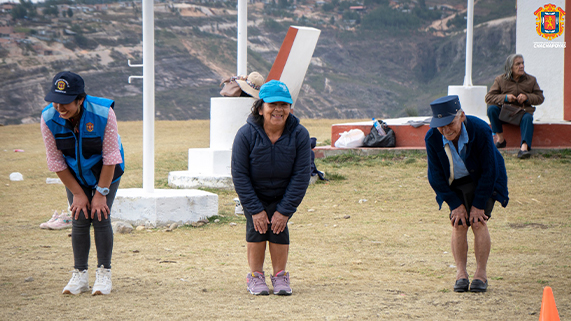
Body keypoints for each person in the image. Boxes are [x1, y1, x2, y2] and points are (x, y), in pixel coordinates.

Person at [40, 71, 125, 295]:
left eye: (66, 102)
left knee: (100, 215)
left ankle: (104, 274)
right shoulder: (48, 118)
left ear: (80, 99)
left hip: (106, 171)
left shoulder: (104, 113)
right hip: (74, 175)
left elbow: (111, 157)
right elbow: (56, 161)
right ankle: (79, 275)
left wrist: (100, 193)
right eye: (56, 101)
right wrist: (78, 194)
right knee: (79, 217)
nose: (60, 108)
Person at [231, 80, 311, 296]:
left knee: (278, 229)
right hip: (254, 193)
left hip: (284, 193)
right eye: (272, 104)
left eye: (284, 105)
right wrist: (255, 209)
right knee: (256, 228)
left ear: (290, 108)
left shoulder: (299, 134)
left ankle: (280, 276)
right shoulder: (245, 134)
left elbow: (301, 174)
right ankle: (255, 276)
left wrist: (284, 210)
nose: (278, 110)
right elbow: (239, 174)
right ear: (260, 108)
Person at [425, 95, 509, 293]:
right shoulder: (432, 138)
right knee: (459, 222)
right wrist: (455, 204)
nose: (446, 131)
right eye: (440, 126)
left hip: (484, 179)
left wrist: (479, 204)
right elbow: (435, 177)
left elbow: (490, 170)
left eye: (449, 124)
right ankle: (461, 274)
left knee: (478, 221)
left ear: (461, 116)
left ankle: (481, 275)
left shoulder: (480, 130)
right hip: (455, 182)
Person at [485, 53, 545, 159]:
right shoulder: (500, 80)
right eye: (518, 64)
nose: (521, 66)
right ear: (510, 67)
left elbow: (540, 98)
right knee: (492, 109)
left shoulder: (531, 80)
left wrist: (527, 97)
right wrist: (506, 98)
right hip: (505, 113)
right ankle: (500, 140)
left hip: (522, 113)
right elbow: (489, 98)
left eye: (522, 63)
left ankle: (524, 149)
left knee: (528, 118)